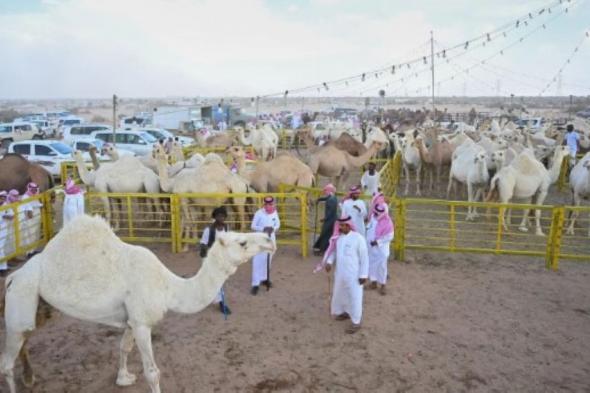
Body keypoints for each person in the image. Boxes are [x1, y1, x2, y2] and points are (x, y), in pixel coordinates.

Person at [323, 215, 369, 334]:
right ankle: (345, 312)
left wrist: (363, 275)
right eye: (339, 225)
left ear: (348, 225)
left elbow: (364, 258)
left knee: (355, 297)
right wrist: (329, 262)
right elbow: (334, 252)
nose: (340, 228)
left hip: (354, 274)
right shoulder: (339, 238)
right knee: (340, 294)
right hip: (340, 273)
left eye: (342, 225)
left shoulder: (358, 238)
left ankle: (356, 322)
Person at [199, 206, 231, 314]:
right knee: (214, 281)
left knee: (218, 281)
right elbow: (203, 244)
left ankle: (218, 301)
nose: (221, 218)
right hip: (210, 259)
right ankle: (220, 303)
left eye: (222, 216)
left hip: (221, 259)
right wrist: (207, 253)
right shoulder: (209, 230)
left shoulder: (226, 228)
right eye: (218, 216)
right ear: (215, 217)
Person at [250, 196, 280, 295]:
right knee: (257, 261)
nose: (269, 206)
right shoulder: (259, 213)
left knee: (268, 260)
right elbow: (253, 226)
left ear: (273, 204)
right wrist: (263, 228)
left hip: (271, 240)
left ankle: (265, 279)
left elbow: (277, 224)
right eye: (267, 205)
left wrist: (273, 229)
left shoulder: (274, 212)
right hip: (260, 240)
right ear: (264, 204)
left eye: (270, 204)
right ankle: (255, 284)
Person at [365, 203, 394, 295]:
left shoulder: (388, 222)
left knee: (381, 267)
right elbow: (369, 228)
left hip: (381, 250)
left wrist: (377, 242)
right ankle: (373, 283)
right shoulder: (374, 217)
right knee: (371, 265)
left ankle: (383, 285)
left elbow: (390, 236)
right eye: (375, 212)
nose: (376, 214)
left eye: (378, 213)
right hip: (371, 248)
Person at [313, 184, 338, 255]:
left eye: (326, 190)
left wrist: (324, 219)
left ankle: (322, 250)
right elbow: (326, 198)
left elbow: (331, 212)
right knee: (328, 234)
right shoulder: (332, 197)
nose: (325, 192)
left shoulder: (331, 200)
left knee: (325, 235)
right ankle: (324, 249)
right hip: (332, 219)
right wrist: (319, 199)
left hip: (330, 220)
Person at [20, 182, 44, 256]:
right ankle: (29, 252)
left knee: (35, 234)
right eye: (32, 190)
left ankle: (33, 250)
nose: (34, 191)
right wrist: (30, 212)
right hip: (30, 218)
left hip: (36, 217)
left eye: (35, 189)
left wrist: (41, 205)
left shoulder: (35, 195)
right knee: (29, 234)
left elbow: (36, 204)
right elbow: (27, 209)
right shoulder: (25, 197)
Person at [3, 190, 20, 259]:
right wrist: (10, 217)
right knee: (7, 242)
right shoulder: (5, 204)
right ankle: (9, 259)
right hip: (5, 226)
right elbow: (4, 215)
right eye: (14, 196)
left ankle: (13, 257)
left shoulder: (12, 202)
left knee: (12, 241)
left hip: (11, 225)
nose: (16, 197)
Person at [0, 191, 9, 275]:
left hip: (3, 230)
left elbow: (12, 216)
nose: (2, 199)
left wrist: (6, 215)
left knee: (0, 248)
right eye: (1, 197)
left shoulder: (6, 205)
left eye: (3, 197)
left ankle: (3, 268)